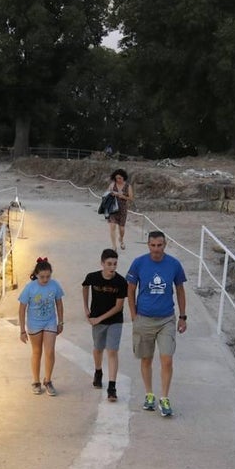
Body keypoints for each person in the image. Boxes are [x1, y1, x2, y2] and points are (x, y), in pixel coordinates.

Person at [126, 231, 187, 417]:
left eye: (159, 245)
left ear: (165, 245)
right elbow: (130, 290)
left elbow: (180, 290)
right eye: (153, 245)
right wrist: (133, 315)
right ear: (148, 245)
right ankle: (149, 394)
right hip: (144, 318)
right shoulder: (138, 263)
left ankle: (165, 398)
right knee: (146, 359)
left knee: (167, 359)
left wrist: (183, 316)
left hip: (166, 319)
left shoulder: (174, 264)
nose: (156, 249)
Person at [82, 248, 127, 402]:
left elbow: (118, 307)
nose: (112, 267)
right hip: (96, 319)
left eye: (115, 264)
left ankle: (112, 387)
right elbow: (85, 286)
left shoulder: (121, 282)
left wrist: (99, 319)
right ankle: (98, 371)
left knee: (112, 351)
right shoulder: (92, 277)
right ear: (102, 263)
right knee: (98, 348)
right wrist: (86, 308)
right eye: (109, 264)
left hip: (115, 321)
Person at [18, 257, 65, 396]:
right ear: (36, 275)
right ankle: (36, 381)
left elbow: (59, 304)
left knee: (50, 351)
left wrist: (60, 322)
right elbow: (22, 309)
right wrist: (22, 330)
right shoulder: (30, 288)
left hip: (50, 321)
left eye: (48, 276)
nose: (45, 279)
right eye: (42, 277)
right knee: (37, 352)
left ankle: (48, 380)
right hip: (34, 323)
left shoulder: (55, 285)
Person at [106, 169, 133, 251]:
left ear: (123, 177)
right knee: (112, 226)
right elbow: (106, 194)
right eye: (117, 178)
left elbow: (131, 198)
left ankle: (121, 239)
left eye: (120, 178)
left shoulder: (128, 186)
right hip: (113, 209)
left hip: (123, 209)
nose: (118, 180)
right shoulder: (112, 185)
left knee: (121, 228)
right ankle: (114, 246)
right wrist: (111, 194)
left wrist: (122, 196)